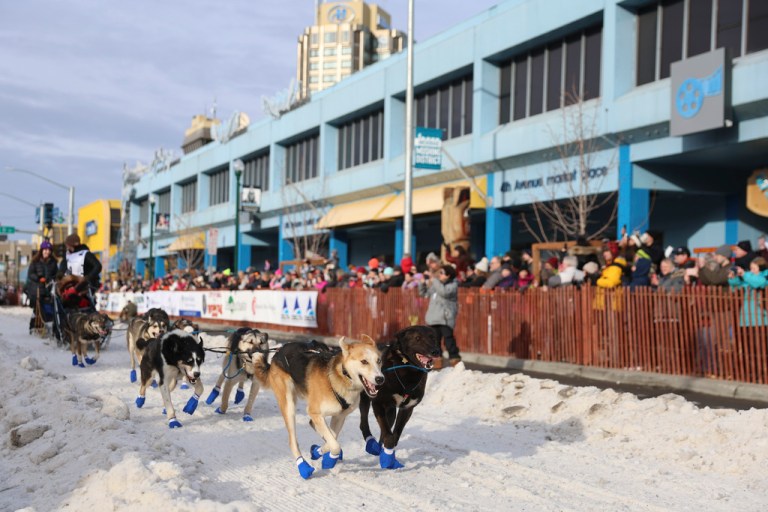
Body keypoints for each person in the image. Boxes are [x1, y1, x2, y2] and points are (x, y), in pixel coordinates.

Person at [419, 264, 461, 368]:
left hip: (445, 318)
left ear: (448, 275)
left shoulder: (452, 285)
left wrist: (434, 280)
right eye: (440, 273)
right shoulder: (436, 284)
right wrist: (422, 284)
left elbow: (444, 292)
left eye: (442, 273)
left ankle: (454, 359)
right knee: (435, 341)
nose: (440, 275)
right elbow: (424, 294)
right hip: (434, 317)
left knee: (448, 340)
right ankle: (437, 360)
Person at [26, 241, 59, 334]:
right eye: (45, 249)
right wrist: (39, 278)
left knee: (49, 306)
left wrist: (53, 279)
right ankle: (33, 326)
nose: (47, 252)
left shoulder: (53, 262)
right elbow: (30, 274)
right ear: (41, 250)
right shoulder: (35, 262)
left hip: (49, 289)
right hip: (37, 289)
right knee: (37, 308)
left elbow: (56, 274)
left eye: (49, 250)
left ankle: (49, 324)